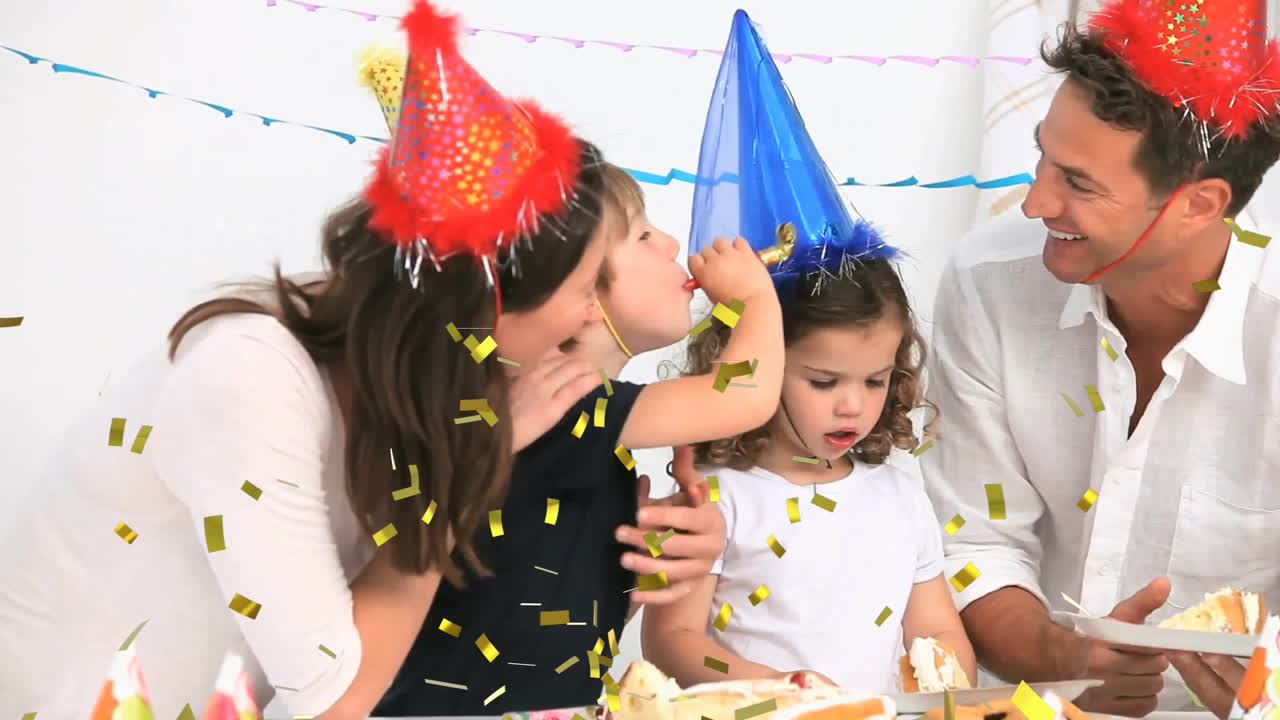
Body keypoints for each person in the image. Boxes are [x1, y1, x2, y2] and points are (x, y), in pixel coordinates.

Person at [0, 2, 704, 718]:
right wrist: (466, 474)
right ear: (481, 313)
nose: (594, 316)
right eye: (589, 291)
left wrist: (636, 546)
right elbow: (335, 697)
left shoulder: (424, 376)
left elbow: (439, 606)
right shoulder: (250, 379)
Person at [921, 0, 1280, 716]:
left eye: (1078, 183)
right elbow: (970, 541)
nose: (1034, 203)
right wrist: (1066, 659)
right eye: (1043, 160)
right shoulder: (986, 281)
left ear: (1199, 205)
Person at [371, 139, 786, 713]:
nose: (671, 244)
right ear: (585, 292)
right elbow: (742, 395)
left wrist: (633, 569)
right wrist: (754, 299)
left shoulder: (571, 421)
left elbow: (545, 597)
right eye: (643, 235)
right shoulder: (558, 401)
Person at [640, 9, 975, 695]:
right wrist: (775, 685)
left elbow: (937, 631)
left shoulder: (898, 494)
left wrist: (952, 688)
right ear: (758, 361)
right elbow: (673, 640)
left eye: (876, 379)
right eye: (823, 381)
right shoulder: (720, 496)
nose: (853, 403)